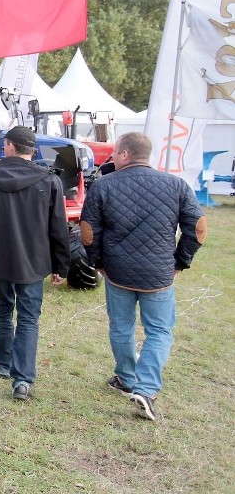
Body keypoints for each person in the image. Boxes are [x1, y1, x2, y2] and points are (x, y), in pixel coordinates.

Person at [80, 132, 205, 421]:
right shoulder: (176, 185)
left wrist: (98, 262)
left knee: (121, 327)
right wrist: (179, 261)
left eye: (115, 153)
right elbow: (197, 229)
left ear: (124, 154)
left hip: (117, 271)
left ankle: (127, 378)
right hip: (159, 273)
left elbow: (88, 231)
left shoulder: (103, 186)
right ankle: (145, 388)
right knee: (159, 331)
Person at [0, 125, 71, 401]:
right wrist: (61, 265)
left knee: (3, 309)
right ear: (32, 150)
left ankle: (4, 363)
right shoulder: (49, 181)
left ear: (10, 146)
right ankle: (21, 378)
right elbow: (59, 227)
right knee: (28, 317)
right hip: (32, 261)